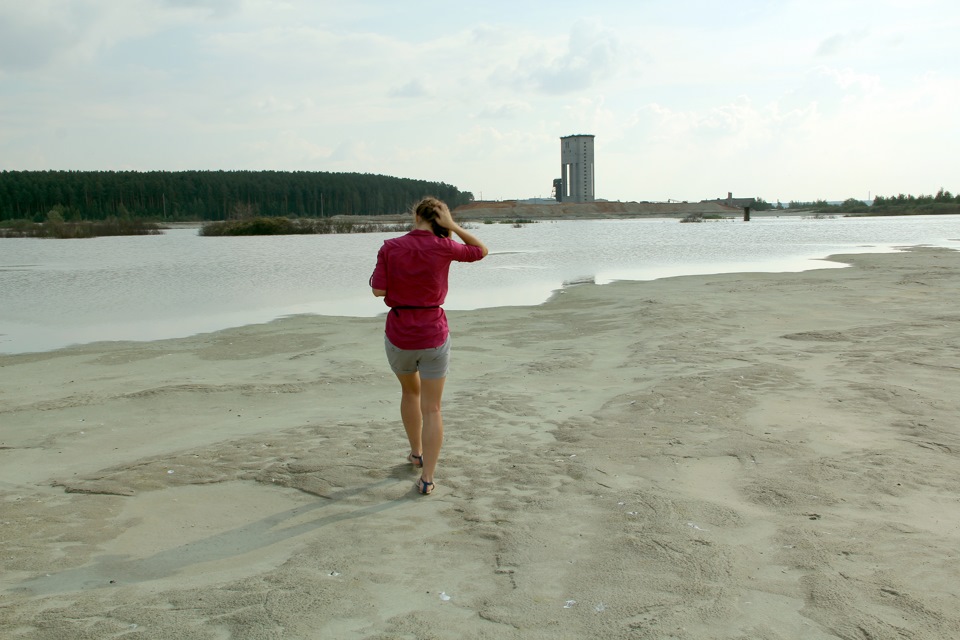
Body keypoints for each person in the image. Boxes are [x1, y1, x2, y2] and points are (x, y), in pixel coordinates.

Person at [370, 197, 488, 495]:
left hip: (400, 332)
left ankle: (416, 453)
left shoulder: (391, 247)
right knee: (433, 408)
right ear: (440, 218)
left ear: (415, 215)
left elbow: (378, 290)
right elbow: (480, 251)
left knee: (410, 391)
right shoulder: (444, 246)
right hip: (433, 331)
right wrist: (452, 226)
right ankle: (428, 478)